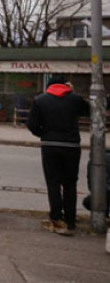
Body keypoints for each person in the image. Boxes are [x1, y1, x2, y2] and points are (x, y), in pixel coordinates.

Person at [27, 75, 89, 236]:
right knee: (70, 184)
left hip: (50, 146)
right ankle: (70, 221)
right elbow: (88, 111)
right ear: (65, 85)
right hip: (71, 146)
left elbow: (32, 125)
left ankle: (56, 219)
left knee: (53, 184)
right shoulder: (75, 99)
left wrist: (44, 134)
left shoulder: (40, 100)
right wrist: (73, 93)